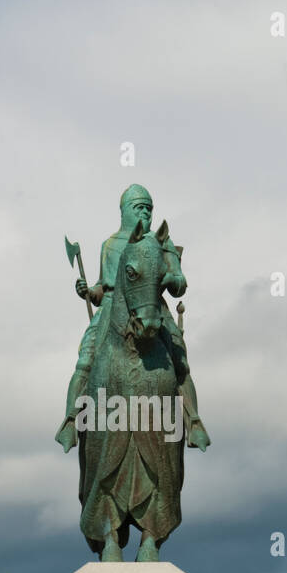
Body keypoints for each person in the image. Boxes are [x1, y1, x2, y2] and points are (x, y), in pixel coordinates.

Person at [55, 184, 210, 452]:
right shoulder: (110, 244)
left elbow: (179, 283)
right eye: (140, 208)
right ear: (125, 210)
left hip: (152, 305)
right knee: (86, 357)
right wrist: (88, 291)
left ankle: (193, 422)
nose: (146, 215)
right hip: (112, 307)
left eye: (150, 209)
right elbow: (103, 289)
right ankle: (71, 419)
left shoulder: (163, 243)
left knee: (180, 358)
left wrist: (171, 278)